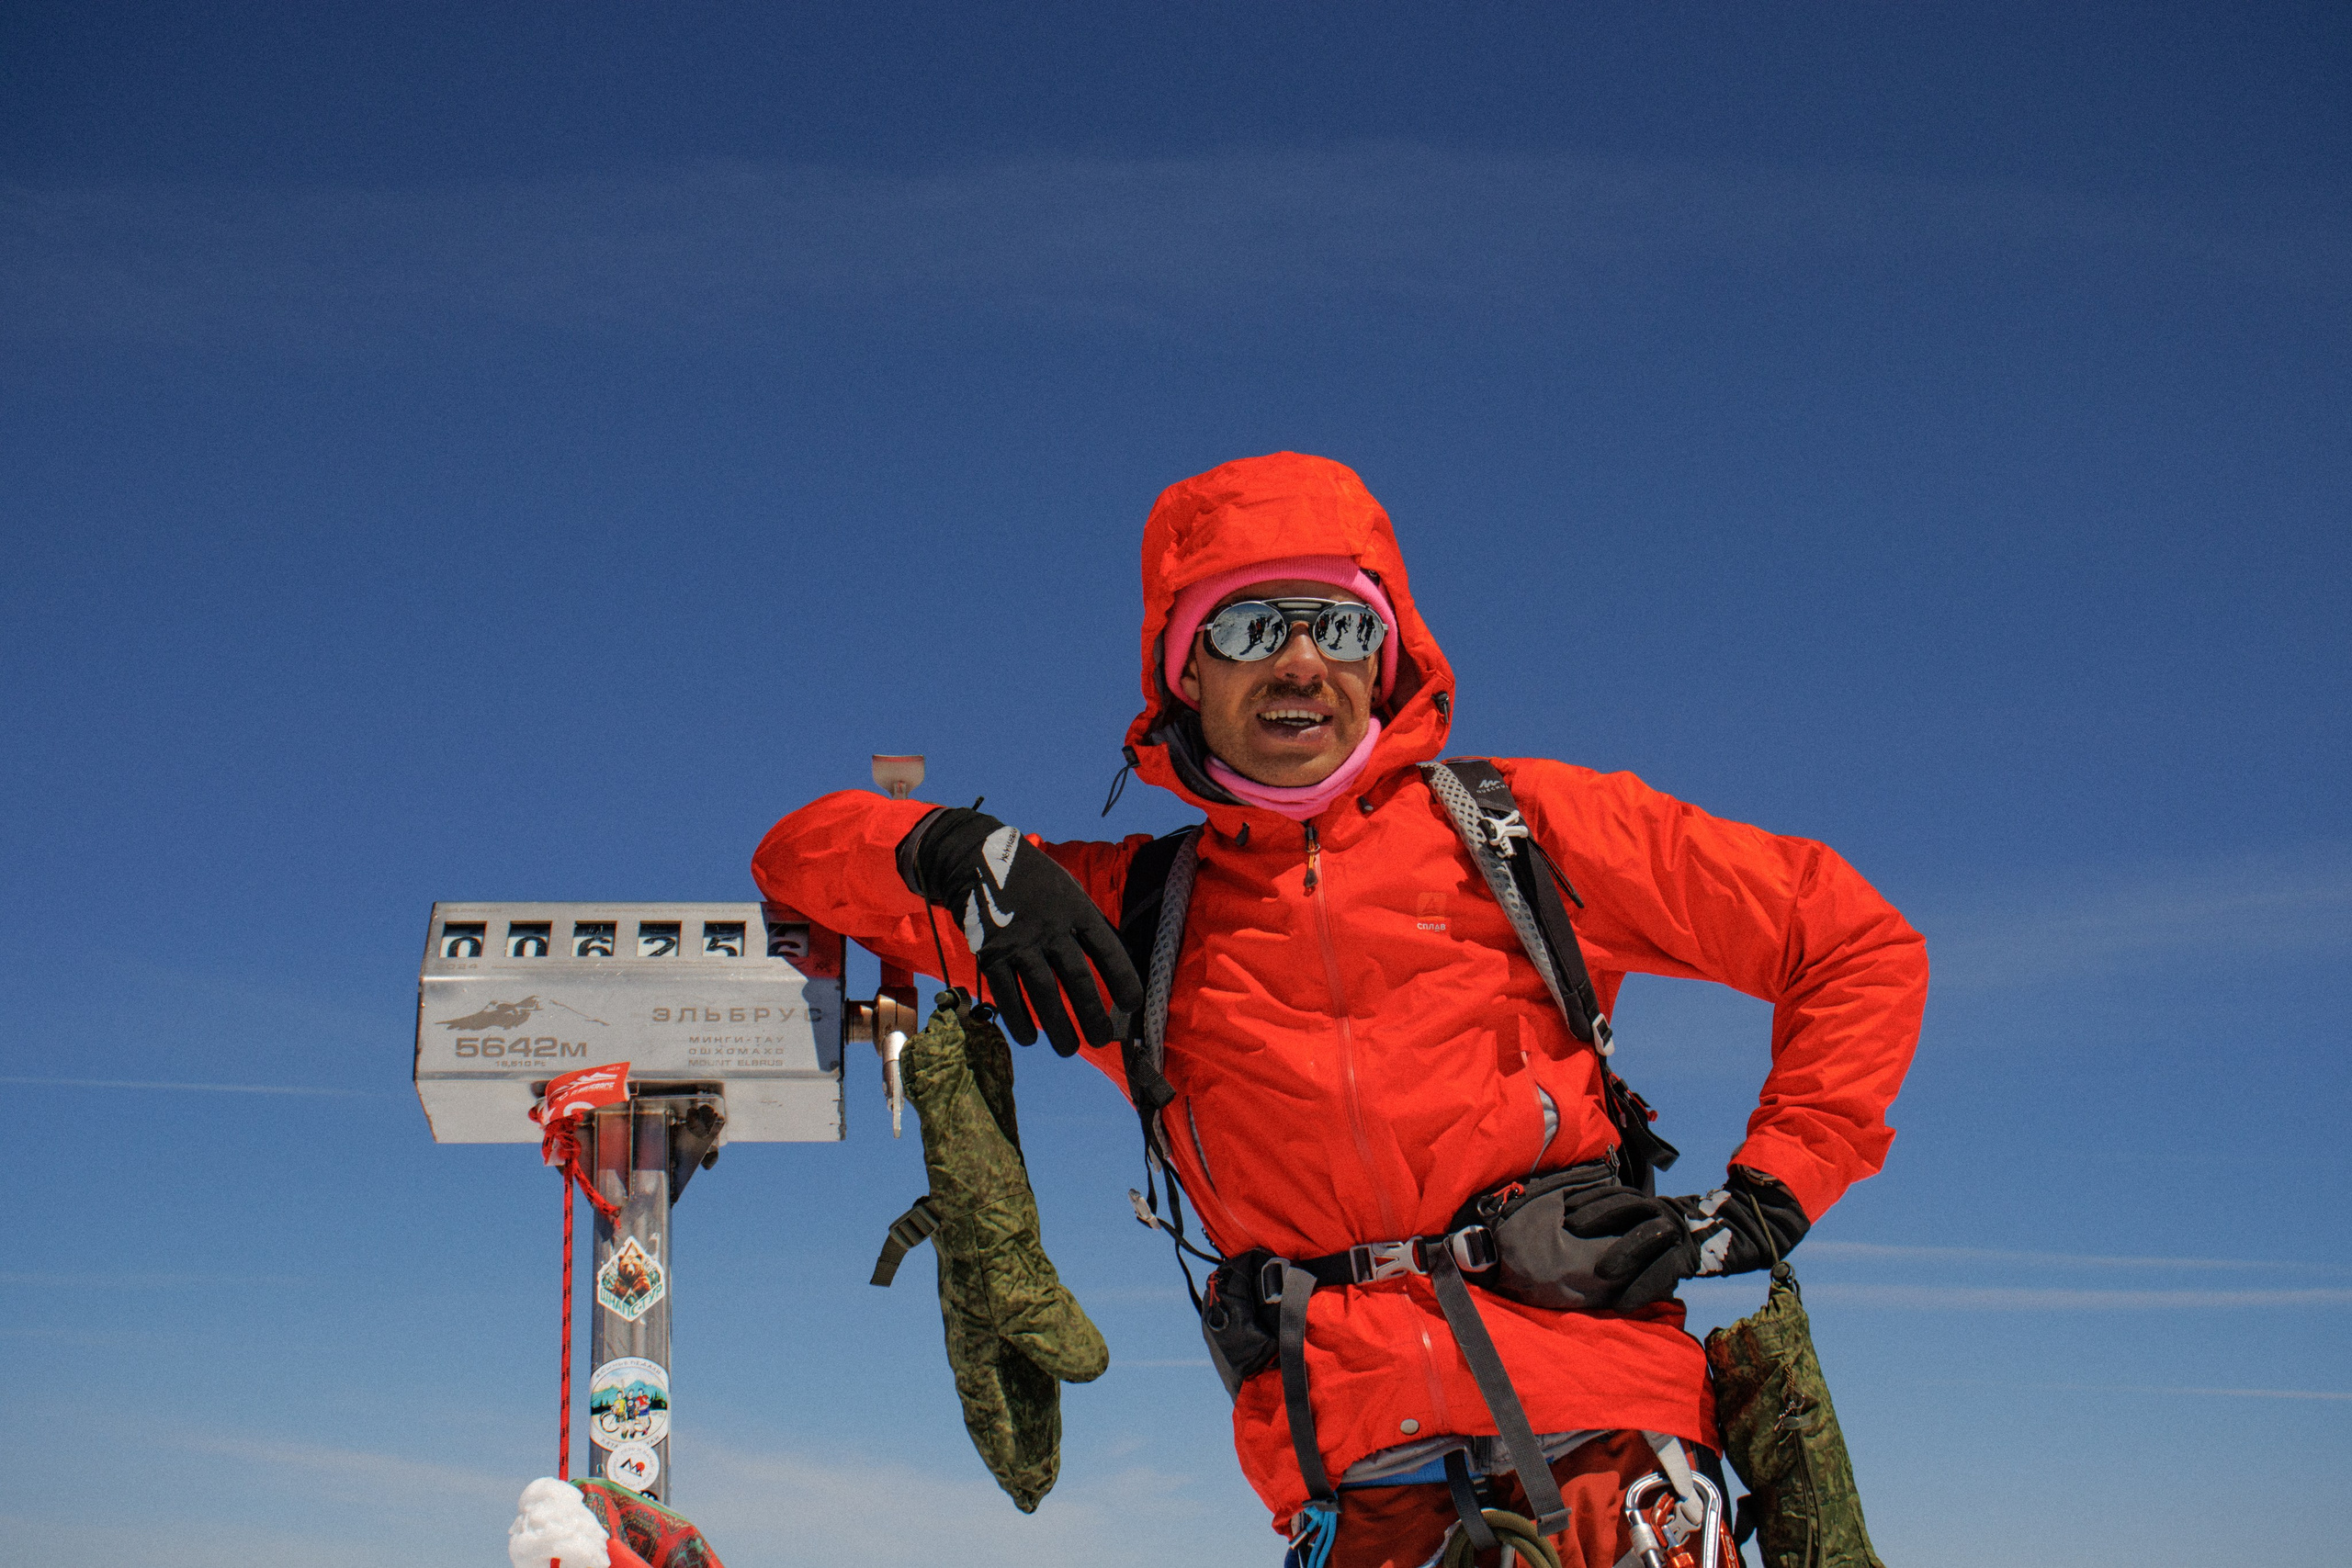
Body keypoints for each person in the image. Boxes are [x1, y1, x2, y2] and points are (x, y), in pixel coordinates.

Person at [752, 452, 1928, 1568]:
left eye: (1344, 624)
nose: (1303, 661)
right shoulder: (1127, 917)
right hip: (1357, 1488)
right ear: (1184, 669)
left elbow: (1852, 941)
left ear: (1388, 654)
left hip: (1614, 1462)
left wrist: (1769, 1196)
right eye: (1250, 626)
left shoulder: (1526, 831)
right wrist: (955, 848)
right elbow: (799, 853)